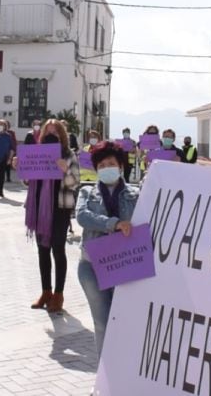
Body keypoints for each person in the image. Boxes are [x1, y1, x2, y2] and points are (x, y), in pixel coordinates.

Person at [76, 141, 139, 358]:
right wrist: (113, 224)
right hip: (91, 265)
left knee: (123, 320)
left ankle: (123, 372)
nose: (106, 168)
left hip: (123, 264)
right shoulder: (86, 192)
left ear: (121, 166)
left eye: (111, 163)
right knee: (101, 322)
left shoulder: (137, 193)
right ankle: (104, 378)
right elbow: (82, 216)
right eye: (101, 165)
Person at [24, 119, 80, 314]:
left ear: (62, 136)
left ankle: (59, 294)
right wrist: (21, 166)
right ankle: (45, 292)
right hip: (39, 207)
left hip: (60, 207)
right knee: (42, 250)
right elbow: (28, 180)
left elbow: (75, 182)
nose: (50, 136)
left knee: (58, 249)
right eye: (47, 133)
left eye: (55, 134)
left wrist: (65, 170)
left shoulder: (69, 154)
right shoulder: (37, 153)